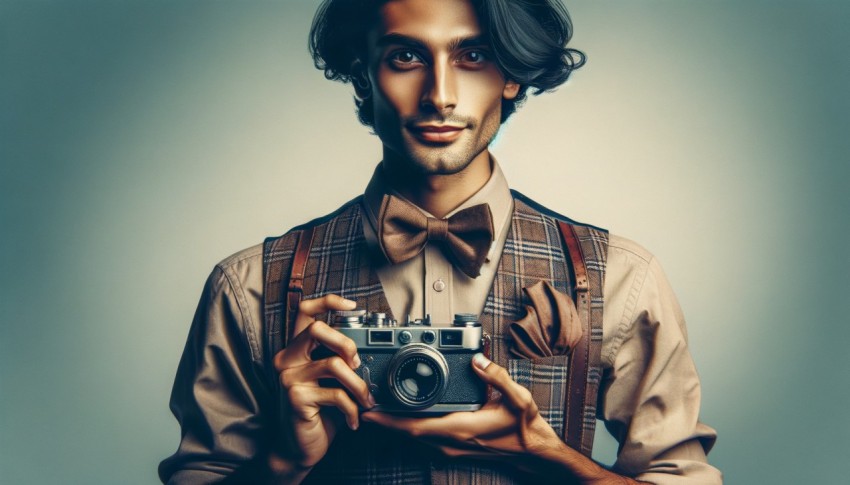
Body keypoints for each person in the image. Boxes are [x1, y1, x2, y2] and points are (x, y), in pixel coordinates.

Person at [159, 0, 721, 483]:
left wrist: (547, 455)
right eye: (405, 56)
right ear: (363, 74)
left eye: (473, 55)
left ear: (511, 73)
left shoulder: (618, 277)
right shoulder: (253, 286)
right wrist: (282, 463)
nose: (440, 95)